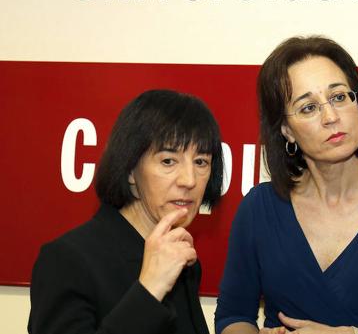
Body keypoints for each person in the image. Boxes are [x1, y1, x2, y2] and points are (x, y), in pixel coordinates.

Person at [215, 36, 358, 334]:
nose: (331, 117)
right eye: (308, 108)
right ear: (286, 130)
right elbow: (233, 316)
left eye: (339, 97)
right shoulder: (259, 208)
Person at [28, 89, 224, 334]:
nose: (189, 180)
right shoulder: (66, 260)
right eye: (168, 161)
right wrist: (150, 288)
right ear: (130, 170)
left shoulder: (181, 258)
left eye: (201, 162)